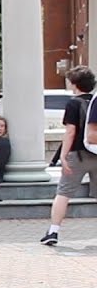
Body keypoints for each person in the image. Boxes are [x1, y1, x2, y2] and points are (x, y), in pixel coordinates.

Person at [42, 66, 97, 245]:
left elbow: (70, 132)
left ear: (74, 84)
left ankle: (53, 231)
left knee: (64, 193)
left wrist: (63, 156)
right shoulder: (95, 101)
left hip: (78, 154)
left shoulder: (74, 103)